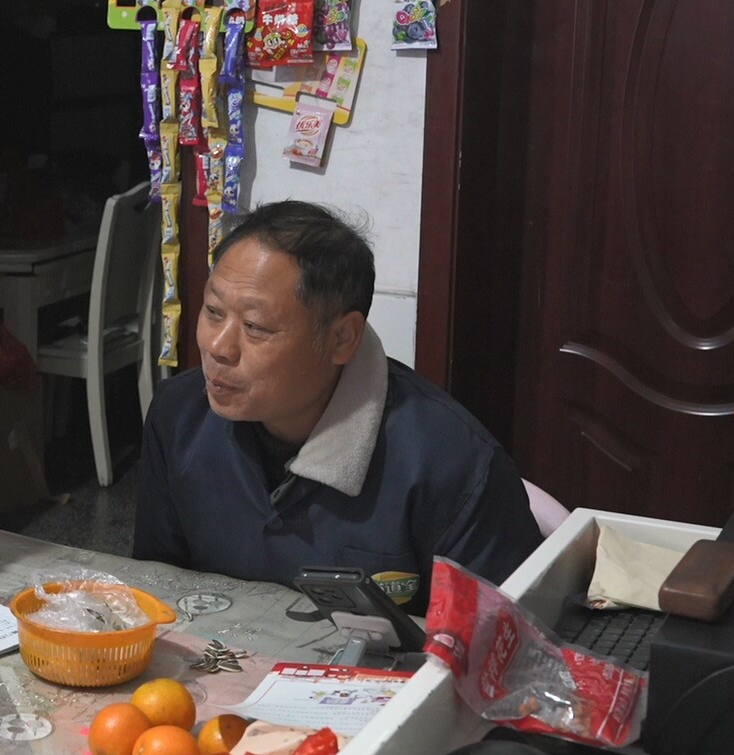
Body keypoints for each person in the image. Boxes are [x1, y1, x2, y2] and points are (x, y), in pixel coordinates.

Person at [131, 201, 540, 612]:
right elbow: (155, 591)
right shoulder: (179, 416)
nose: (218, 346)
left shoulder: (452, 464)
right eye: (213, 312)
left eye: (255, 327)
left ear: (342, 338)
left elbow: (503, 639)